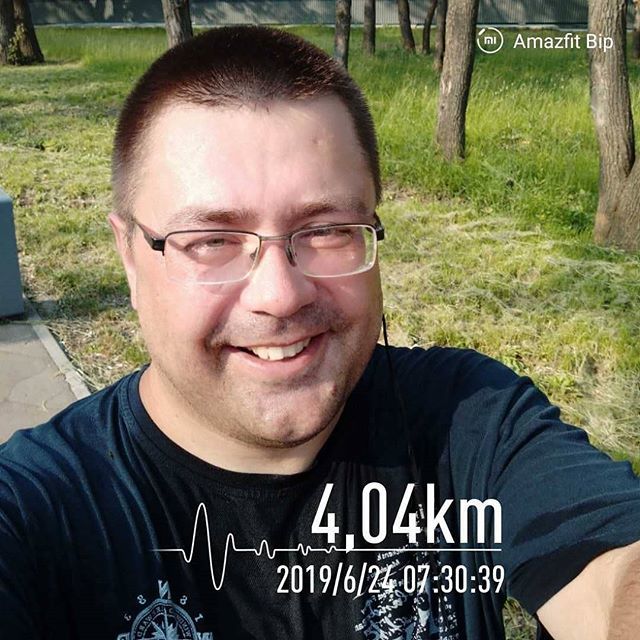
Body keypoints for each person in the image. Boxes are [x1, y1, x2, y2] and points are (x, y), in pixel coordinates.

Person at [1, 26, 639, 640]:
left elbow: (610, 573)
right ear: (129, 255)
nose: (279, 295)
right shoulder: (37, 511)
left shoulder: (468, 422)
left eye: (327, 230)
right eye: (211, 240)